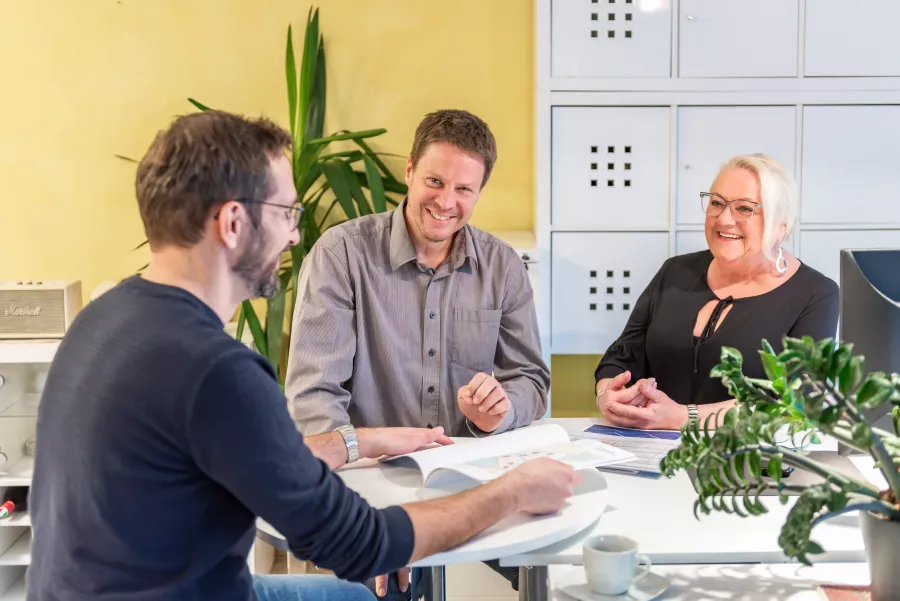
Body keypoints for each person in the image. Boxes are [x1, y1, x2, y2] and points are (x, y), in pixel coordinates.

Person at [27, 110, 579, 601]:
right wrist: (513, 490)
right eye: (287, 212)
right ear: (235, 223)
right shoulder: (218, 372)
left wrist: (362, 440)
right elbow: (358, 544)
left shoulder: (104, 317)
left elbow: (256, 461)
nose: (294, 236)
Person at [284, 108, 548, 596]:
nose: (446, 202)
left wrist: (502, 410)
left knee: (543, 578)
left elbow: (531, 380)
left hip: (472, 487)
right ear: (409, 172)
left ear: (479, 192)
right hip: (372, 487)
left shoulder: (503, 267)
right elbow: (314, 396)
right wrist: (362, 515)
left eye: (464, 189)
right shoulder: (341, 255)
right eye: (434, 180)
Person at [594, 154, 839, 431]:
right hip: (650, 452)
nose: (724, 219)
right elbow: (622, 354)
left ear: (780, 226)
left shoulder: (816, 294)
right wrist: (608, 395)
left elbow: (798, 400)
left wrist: (683, 417)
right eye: (717, 203)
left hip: (745, 461)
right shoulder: (674, 271)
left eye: (744, 209)